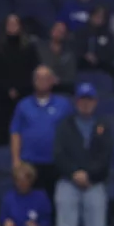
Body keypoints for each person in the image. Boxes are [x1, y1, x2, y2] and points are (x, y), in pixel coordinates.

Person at [53, 82, 113, 226]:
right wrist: (74, 173)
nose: (86, 104)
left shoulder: (103, 126)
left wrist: (89, 175)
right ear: (76, 102)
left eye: (89, 100)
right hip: (68, 181)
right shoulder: (65, 125)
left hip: (94, 183)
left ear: (95, 102)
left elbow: (106, 156)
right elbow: (59, 154)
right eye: (82, 100)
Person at [10, 66, 73, 199]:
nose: (42, 81)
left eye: (46, 78)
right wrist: (16, 160)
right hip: (29, 163)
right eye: (38, 78)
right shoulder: (23, 105)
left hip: (55, 162)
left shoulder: (64, 105)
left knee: (54, 201)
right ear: (33, 81)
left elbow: (71, 132)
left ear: (52, 81)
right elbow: (15, 133)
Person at [0, 14, 39, 146]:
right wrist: (8, 89)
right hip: (1, 96)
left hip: (24, 93)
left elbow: (32, 72)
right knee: (3, 127)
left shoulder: (29, 48)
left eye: (15, 23)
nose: (12, 27)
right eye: (9, 24)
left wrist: (19, 89)